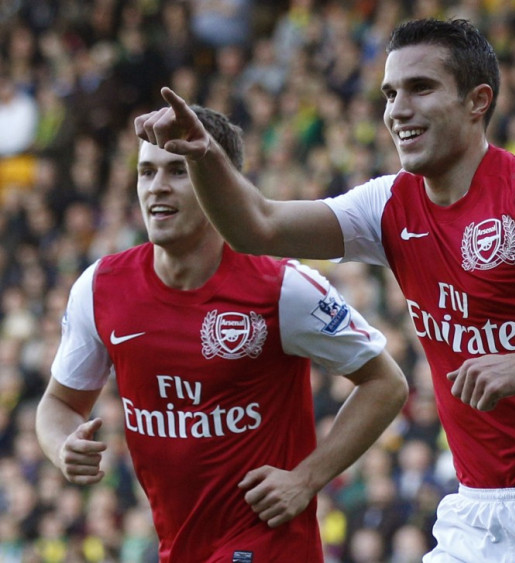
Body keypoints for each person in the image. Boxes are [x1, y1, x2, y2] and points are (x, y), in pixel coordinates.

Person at [135, 18, 515, 562]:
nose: (397, 110)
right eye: (388, 94)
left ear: (477, 101)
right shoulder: (387, 205)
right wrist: (205, 155)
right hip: (476, 511)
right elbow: (256, 226)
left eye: (420, 89)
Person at [35, 104, 408, 562]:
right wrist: (62, 446)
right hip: (179, 547)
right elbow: (58, 404)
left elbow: (386, 383)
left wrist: (306, 478)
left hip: (269, 546)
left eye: (178, 170)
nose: (157, 188)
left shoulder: (283, 288)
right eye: (146, 172)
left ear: (219, 183)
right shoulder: (100, 288)